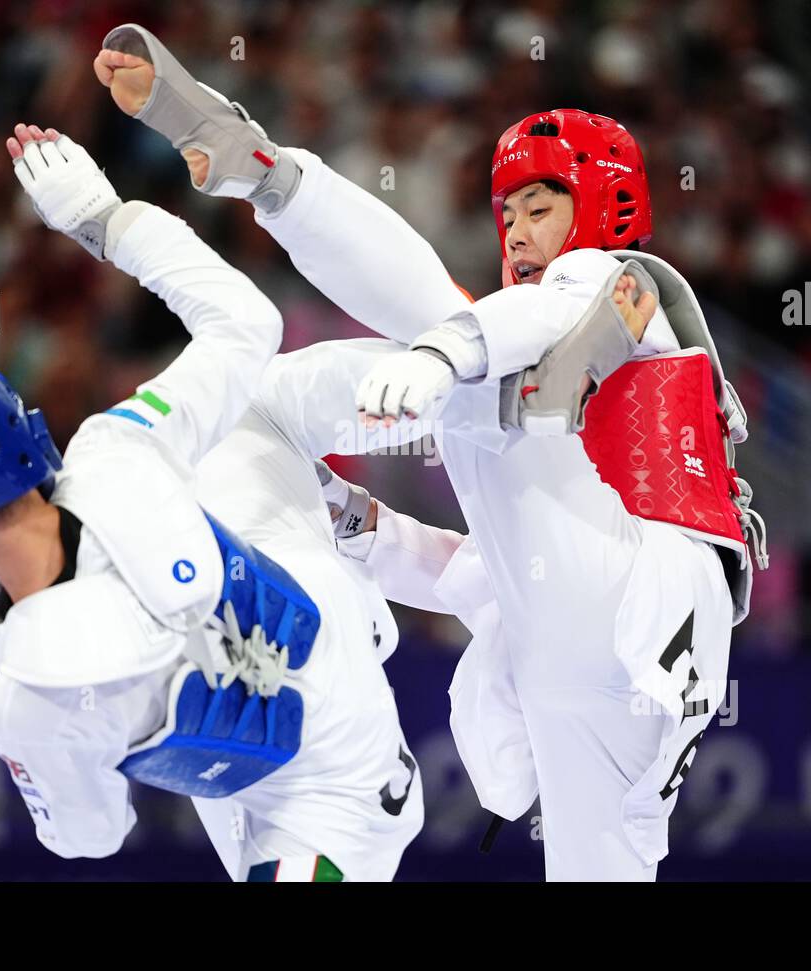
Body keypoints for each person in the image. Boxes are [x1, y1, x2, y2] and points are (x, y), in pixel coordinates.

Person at [92, 23, 767, 880]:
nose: (518, 231)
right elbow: (479, 572)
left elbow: (534, 319)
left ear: (600, 208)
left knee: (467, 365)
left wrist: (443, 353)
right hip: (617, 675)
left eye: (542, 206)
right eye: (508, 213)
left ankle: (256, 166)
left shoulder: (624, 280)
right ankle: (256, 167)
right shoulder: (562, 473)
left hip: (643, 597)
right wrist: (358, 525)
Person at [0, 122, 422, 882]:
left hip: (309, 812)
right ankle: (473, 381)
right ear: (25, 432)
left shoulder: (26, 696)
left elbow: (93, 836)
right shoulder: (115, 448)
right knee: (254, 413)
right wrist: (101, 216)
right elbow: (247, 323)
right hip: (335, 639)